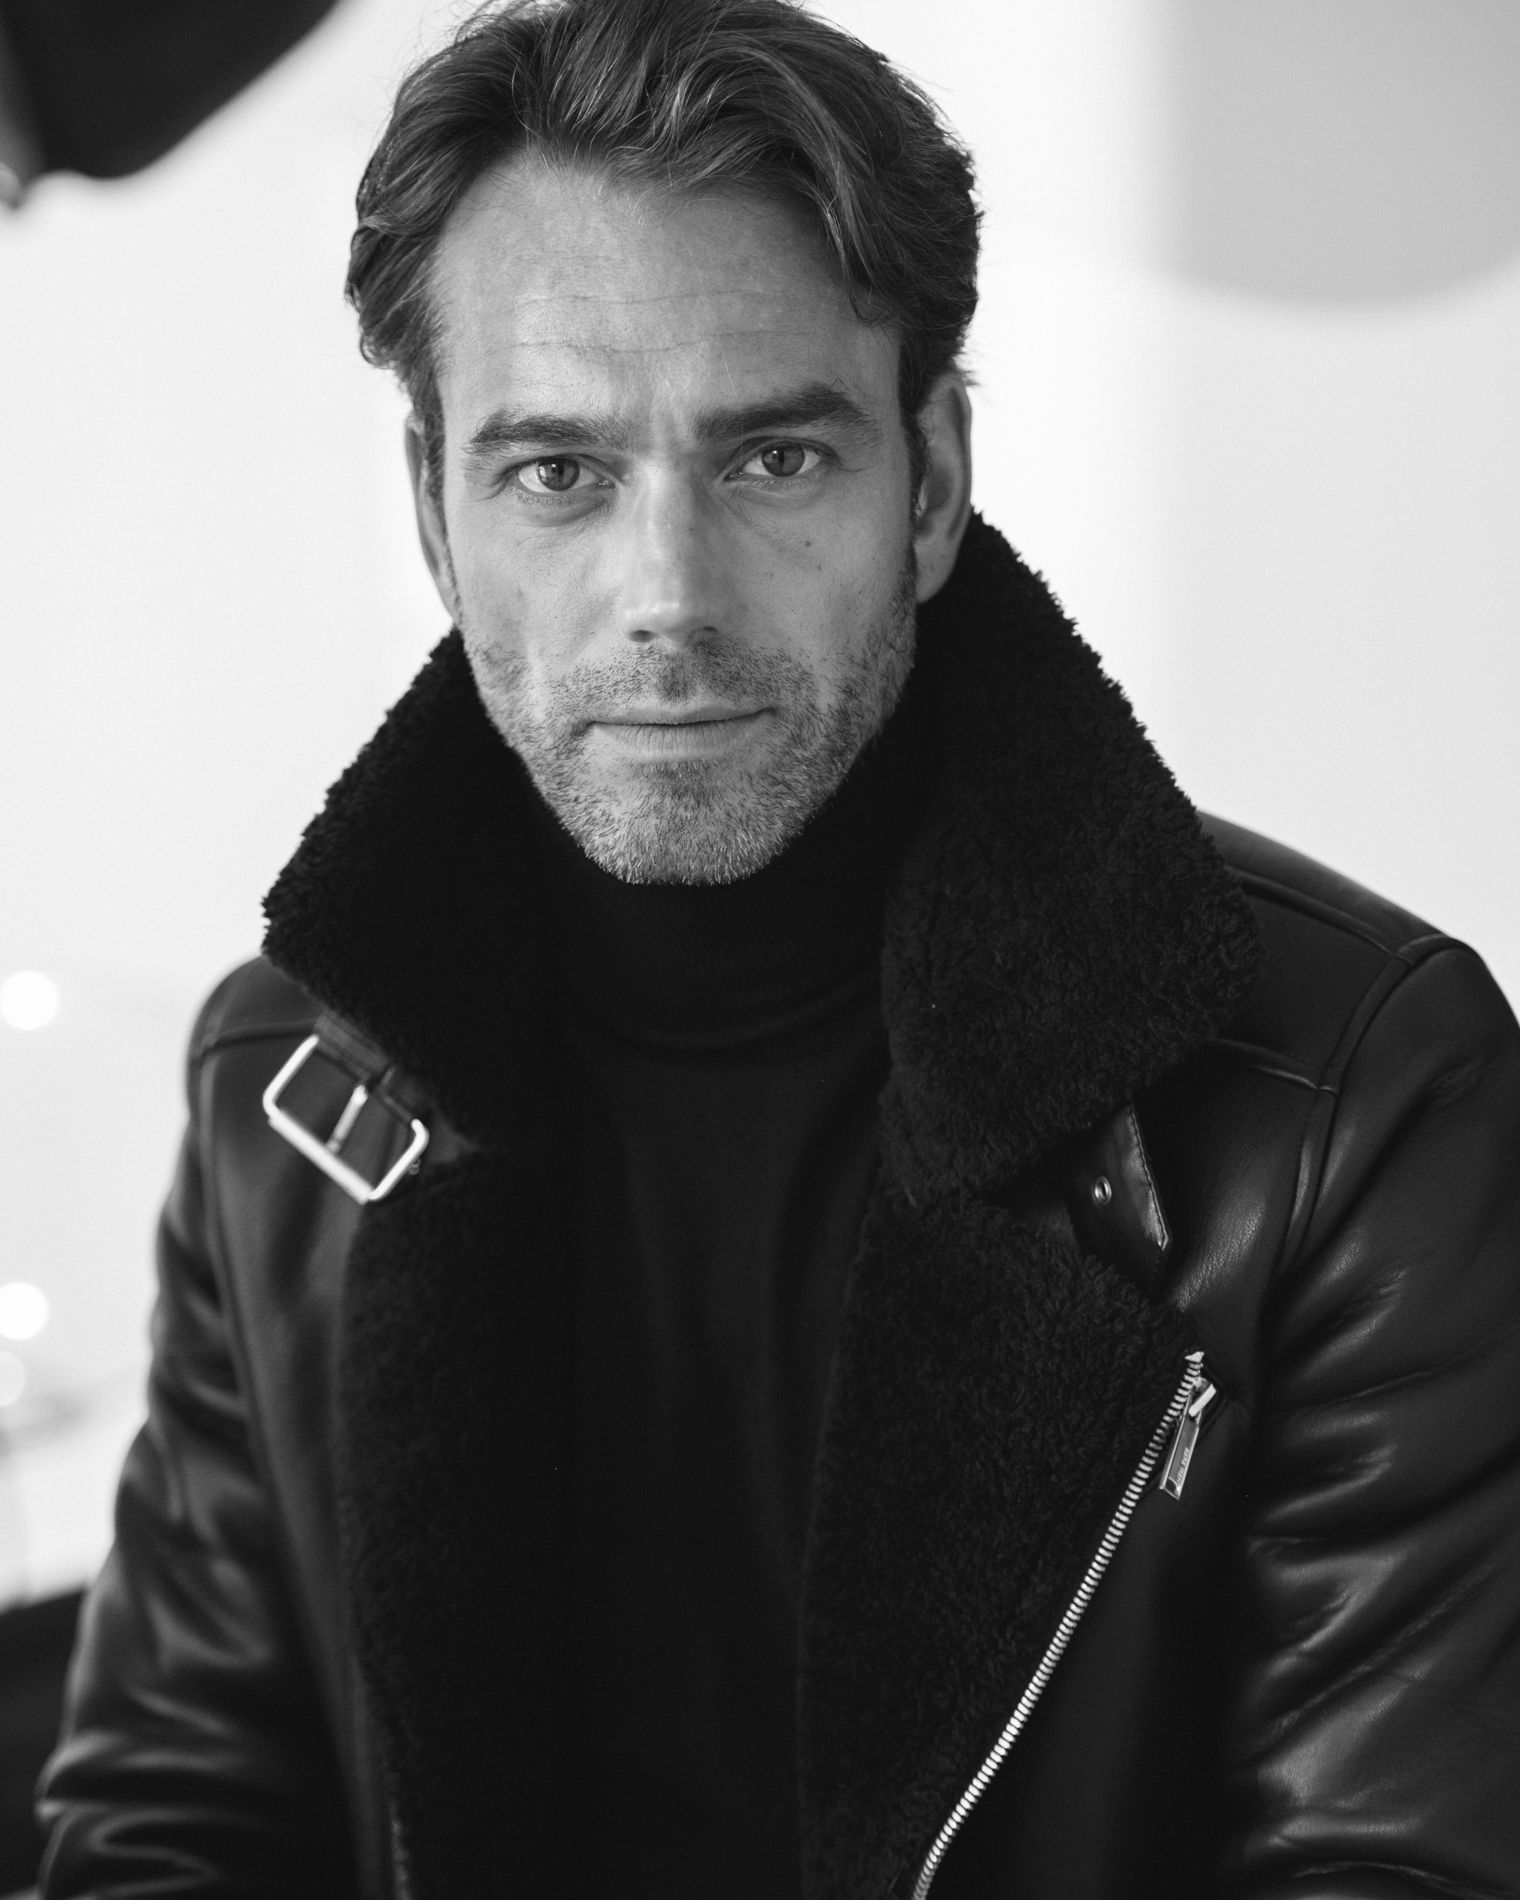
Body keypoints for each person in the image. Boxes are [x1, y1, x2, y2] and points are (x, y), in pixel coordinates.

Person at [36, 0, 1520, 1895]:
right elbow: (174, 1823)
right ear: (434, 513)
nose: (665, 597)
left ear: (933, 481)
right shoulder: (293, 1090)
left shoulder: (1352, 1102)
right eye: (557, 472)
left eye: (773, 461)